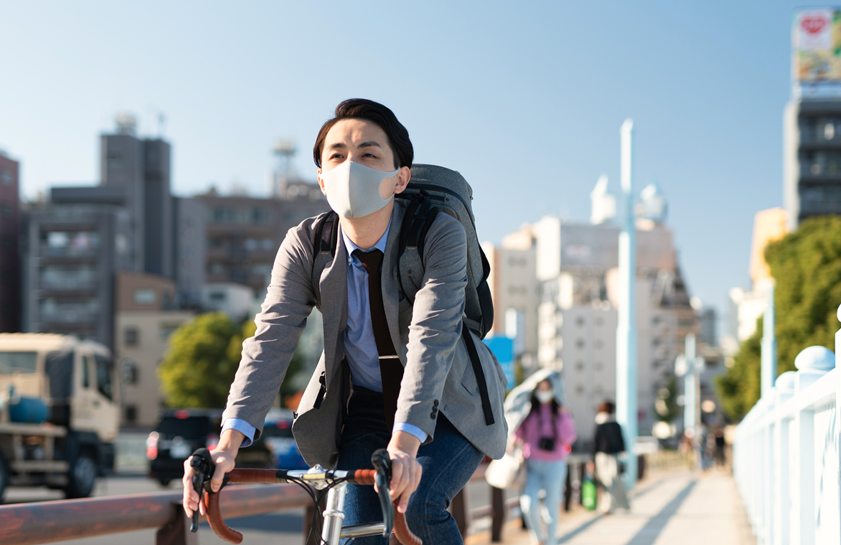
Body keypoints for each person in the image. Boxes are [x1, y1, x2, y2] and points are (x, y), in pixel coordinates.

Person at [181, 99, 507, 544]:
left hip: (451, 400)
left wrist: (405, 447)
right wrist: (226, 447)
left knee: (419, 507)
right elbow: (270, 341)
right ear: (320, 179)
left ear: (400, 178)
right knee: (357, 533)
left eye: (369, 154)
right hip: (367, 405)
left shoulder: (437, 231)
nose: (350, 166)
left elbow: (433, 336)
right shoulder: (306, 244)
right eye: (337, 155)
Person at [512, 374, 576, 545]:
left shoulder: (561, 411)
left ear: (553, 389)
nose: (544, 392)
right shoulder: (529, 409)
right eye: (540, 388)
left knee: (551, 508)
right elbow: (517, 432)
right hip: (531, 464)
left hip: (555, 463)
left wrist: (563, 416)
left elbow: (568, 438)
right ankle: (538, 539)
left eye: (547, 388)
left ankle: (552, 541)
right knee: (527, 504)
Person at [592, 401, 630, 514]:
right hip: (609, 456)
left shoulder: (601, 424)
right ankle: (608, 505)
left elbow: (594, 443)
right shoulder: (613, 424)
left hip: (603, 456)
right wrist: (623, 450)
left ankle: (608, 506)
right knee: (610, 481)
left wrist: (592, 459)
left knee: (609, 481)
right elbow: (596, 442)